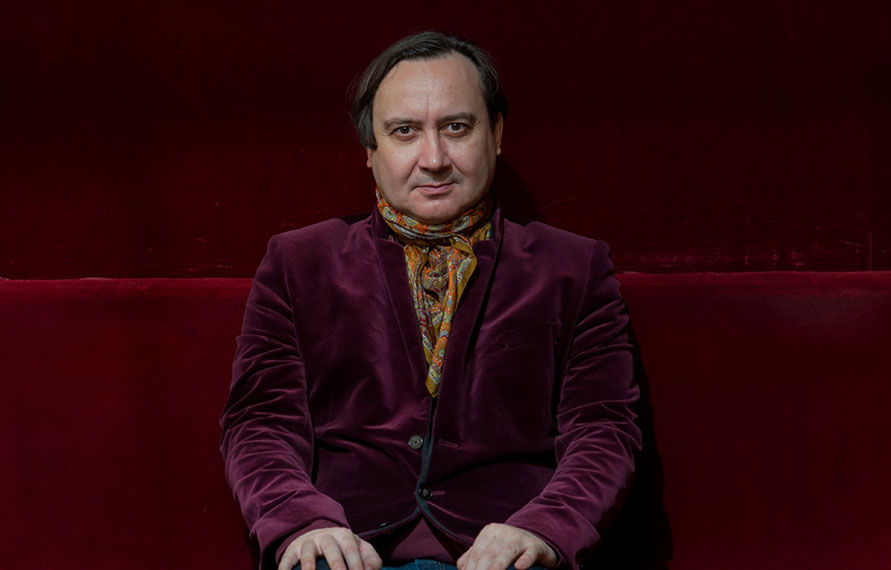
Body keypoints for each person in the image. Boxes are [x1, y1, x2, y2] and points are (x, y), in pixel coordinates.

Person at [220, 31, 641, 570]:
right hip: (345, 552)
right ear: (371, 150)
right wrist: (302, 522)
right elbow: (260, 424)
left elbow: (604, 430)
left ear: (496, 133)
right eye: (404, 131)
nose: (435, 158)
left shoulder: (575, 268)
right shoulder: (297, 263)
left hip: (505, 556)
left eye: (456, 127)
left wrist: (545, 529)